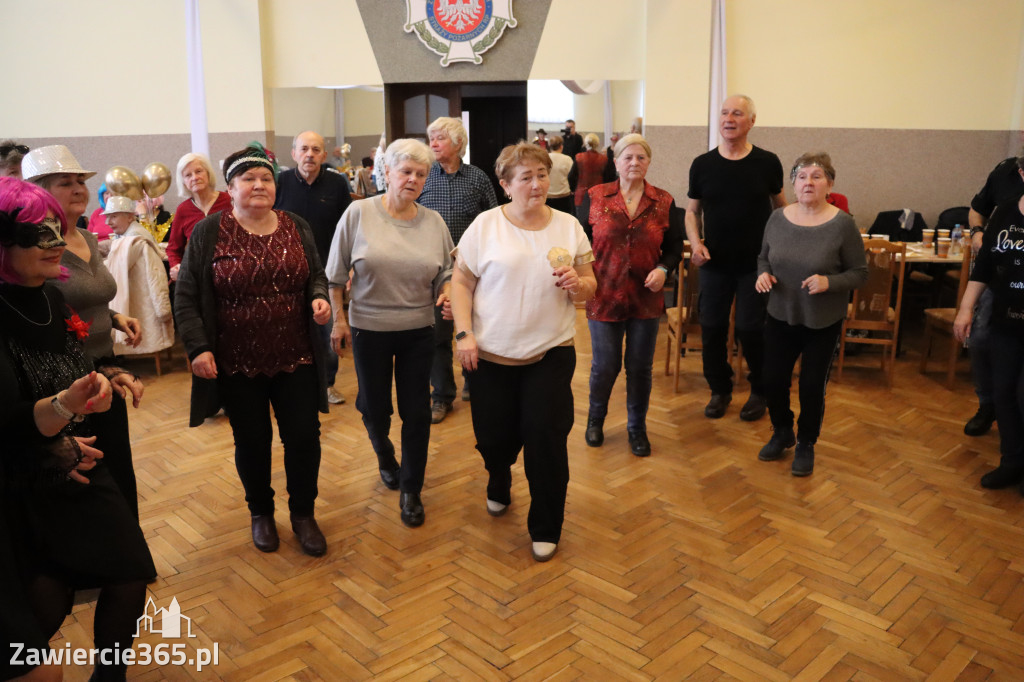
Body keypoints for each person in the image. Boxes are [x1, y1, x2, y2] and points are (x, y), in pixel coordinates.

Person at [0, 176, 155, 681]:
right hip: (26, 485)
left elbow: (72, 362)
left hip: (81, 465)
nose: (55, 243)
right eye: (38, 234)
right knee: (47, 597)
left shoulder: (52, 296)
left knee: (130, 572)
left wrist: (105, 373)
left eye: (55, 229)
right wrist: (62, 415)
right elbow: (8, 417)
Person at [174, 146, 331, 557]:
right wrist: (198, 347)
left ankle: (303, 514)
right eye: (249, 179)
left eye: (266, 178)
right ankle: (260, 512)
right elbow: (186, 296)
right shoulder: (209, 231)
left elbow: (316, 274)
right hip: (237, 362)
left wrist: (318, 297)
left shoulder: (296, 225)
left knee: (303, 437)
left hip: (296, 356)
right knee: (252, 440)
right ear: (230, 188)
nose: (259, 185)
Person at [449, 142, 597, 562]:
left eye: (542, 175)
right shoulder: (485, 225)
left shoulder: (568, 225)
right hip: (490, 356)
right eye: (526, 177)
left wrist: (579, 285)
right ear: (506, 184)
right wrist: (464, 334)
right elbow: (461, 283)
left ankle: (546, 525)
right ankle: (498, 476)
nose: (537, 184)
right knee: (494, 439)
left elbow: (589, 286)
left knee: (546, 438)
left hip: (550, 353)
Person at [327, 139, 453, 529]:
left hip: (419, 330)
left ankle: (411, 489)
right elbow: (334, 276)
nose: (413, 179)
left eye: (421, 174)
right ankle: (384, 454)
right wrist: (339, 321)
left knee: (417, 412)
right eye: (405, 171)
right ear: (387, 172)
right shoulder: (358, 213)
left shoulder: (434, 222)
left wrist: (448, 291)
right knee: (374, 407)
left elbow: (447, 272)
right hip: (369, 329)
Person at [24, 145, 146, 520]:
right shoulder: (36, 248)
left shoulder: (88, 238)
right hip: (63, 380)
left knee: (117, 465)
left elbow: (82, 299)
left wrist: (113, 317)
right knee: (84, 477)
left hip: (105, 368)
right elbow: (42, 310)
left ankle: (127, 543)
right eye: (66, 182)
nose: (79, 188)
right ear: (39, 192)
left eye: (80, 180)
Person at [755, 153, 867, 476]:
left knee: (811, 385)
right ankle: (782, 431)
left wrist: (830, 282)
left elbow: (860, 273)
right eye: (801, 177)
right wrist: (762, 274)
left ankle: (806, 441)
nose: (808, 183)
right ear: (793, 184)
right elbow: (763, 258)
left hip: (822, 320)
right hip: (780, 314)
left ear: (829, 184)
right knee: (772, 379)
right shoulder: (777, 218)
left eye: (816, 177)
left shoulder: (842, 224)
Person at [579, 134, 683, 457]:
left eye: (641, 157)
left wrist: (664, 269)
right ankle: (595, 420)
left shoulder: (663, 201)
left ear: (649, 162)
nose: (634, 163)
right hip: (604, 294)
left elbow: (674, 248)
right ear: (616, 162)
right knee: (605, 366)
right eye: (628, 157)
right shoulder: (595, 196)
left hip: (645, 298)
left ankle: (636, 428)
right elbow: (579, 242)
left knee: (639, 368)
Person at [686, 94, 786, 421]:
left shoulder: (767, 162)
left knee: (750, 328)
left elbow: (781, 209)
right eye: (725, 113)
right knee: (712, 326)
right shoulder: (702, 164)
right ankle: (720, 389)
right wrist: (695, 243)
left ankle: (761, 389)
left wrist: (777, 250)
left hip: (756, 265)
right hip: (714, 263)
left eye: (737, 113)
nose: (729, 119)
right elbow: (692, 212)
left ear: (752, 121)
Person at [419, 116, 498, 424]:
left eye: (440, 138)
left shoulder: (478, 177)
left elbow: (493, 222)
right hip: (434, 270)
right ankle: (441, 396)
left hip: (472, 270)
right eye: (432, 138)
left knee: (472, 330)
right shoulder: (425, 176)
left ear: (458, 143)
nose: (433, 143)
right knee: (437, 336)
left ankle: (473, 382)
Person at [954, 154, 1024, 493]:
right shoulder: (1006, 211)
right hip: (1005, 319)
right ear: (1022, 173)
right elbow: (984, 265)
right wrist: (966, 308)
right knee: (1004, 392)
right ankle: (1012, 462)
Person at [274, 130, 353, 406]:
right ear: (294, 154)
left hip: (327, 271)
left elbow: (347, 228)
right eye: (304, 149)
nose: (310, 154)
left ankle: (327, 384)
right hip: (285, 272)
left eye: (316, 150)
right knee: (288, 332)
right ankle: (290, 385)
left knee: (327, 331)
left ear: (324, 155)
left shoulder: (337, 183)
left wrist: (350, 266)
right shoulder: (279, 182)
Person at [102, 196, 175, 357]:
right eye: (107, 217)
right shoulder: (131, 233)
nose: (108, 222)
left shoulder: (134, 237)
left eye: (113, 216)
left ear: (130, 216)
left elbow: (115, 265)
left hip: (143, 299)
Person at [166, 152, 232, 283]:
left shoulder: (229, 201)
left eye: (198, 171)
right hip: (197, 277)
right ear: (183, 182)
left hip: (229, 273)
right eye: (188, 175)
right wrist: (176, 266)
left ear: (208, 173)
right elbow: (173, 248)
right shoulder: (183, 210)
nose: (194, 178)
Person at [545, 135, 576, 215]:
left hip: (547, 195)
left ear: (549, 146)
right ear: (561, 146)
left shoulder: (545, 158)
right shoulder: (567, 159)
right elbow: (572, 176)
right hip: (563, 196)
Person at [574, 133, 607, 207]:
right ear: (597, 144)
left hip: (581, 195)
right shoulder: (604, 159)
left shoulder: (579, 157)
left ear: (586, 144)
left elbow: (572, 176)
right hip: (598, 194)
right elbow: (608, 178)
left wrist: (573, 189)